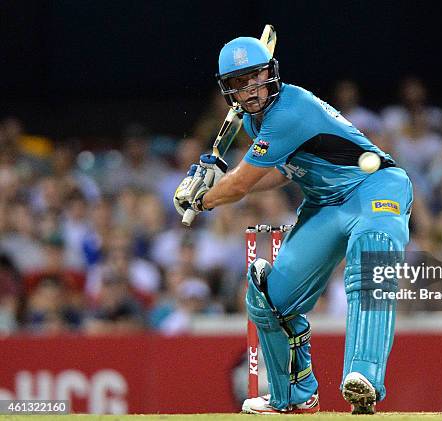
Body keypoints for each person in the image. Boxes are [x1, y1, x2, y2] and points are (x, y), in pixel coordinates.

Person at [174, 36, 413, 414]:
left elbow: (240, 183)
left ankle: (364, 376)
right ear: (228, 89)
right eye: (239, 82)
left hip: (374, 186)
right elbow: (279, 174)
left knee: (370, 258)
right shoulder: (257, 124)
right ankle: (294, 399)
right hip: (324, 204)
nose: (250, 89)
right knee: (270, 299)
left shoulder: (289, 110)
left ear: (271, 71)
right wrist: (218, 189)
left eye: (255, 76)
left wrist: (203, 198)